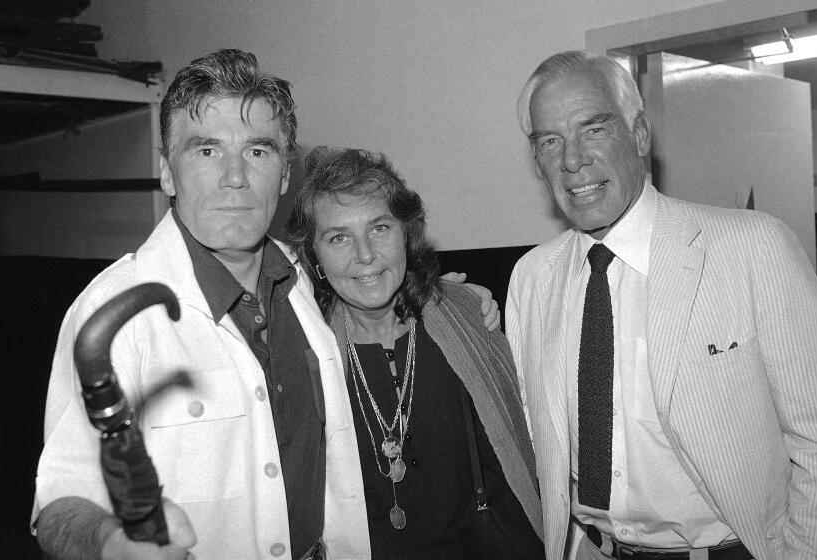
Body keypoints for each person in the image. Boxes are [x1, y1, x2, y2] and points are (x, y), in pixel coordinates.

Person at [31, 49, 498, 560]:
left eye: (257, 151)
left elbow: (379, 289)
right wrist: (110, 544)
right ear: (167, 173)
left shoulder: (306, 280)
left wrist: (452, 302)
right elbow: (59, 503)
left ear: (282, 175)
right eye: (206, 150)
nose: (235, 176)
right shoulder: (114, 313)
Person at [506, 50, 817, 560]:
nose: (572, 159)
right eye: (550, 141)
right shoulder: (531, 279)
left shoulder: (752, 247)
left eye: (593, 129)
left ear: (639, 136)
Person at [285, 146, 544, 560]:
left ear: (406, 233)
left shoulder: (468, 318)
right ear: (313, 257)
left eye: (380, 228)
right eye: (338, 237)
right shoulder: (302, 353)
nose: (365, 254)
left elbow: (522, 456)